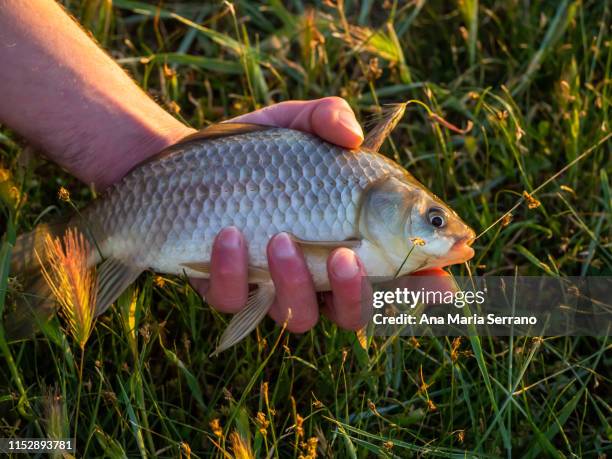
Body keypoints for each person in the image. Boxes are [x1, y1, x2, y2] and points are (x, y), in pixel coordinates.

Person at [0, 0, 449, 335]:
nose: (448, 232)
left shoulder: (363, 192)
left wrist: (140, 148)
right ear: (383, 199)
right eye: (434, 219)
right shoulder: (360, 185)